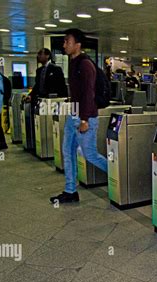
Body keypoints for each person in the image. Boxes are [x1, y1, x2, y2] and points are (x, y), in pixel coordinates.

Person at [50, 29, 107, 204]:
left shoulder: (85, 64)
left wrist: (84, 120)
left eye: (67, 41)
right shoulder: (72, 62)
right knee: (67, 151)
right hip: (72, 115)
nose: (64, 44)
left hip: (85, 117)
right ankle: (70, 190)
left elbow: (88, 94)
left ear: (78, 45)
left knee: (90, 155)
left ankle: (120, 174)